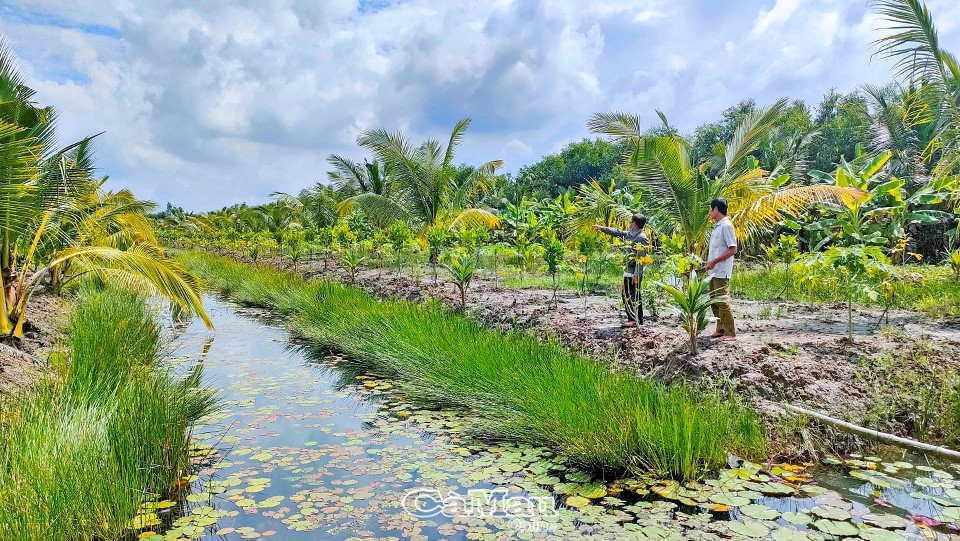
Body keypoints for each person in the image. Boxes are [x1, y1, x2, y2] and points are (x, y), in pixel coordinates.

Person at [593, 215, 649, 327]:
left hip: (634, 272)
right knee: (628, 294)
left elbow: (641, 259)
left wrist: (637, 274)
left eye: (630, 222)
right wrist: (603, 228)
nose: (629, 224)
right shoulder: (631, 235)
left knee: (633, 296)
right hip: (628, 270)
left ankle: (635, 320)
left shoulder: (641, 238)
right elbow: (618, 232)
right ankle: (636, 319)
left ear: (634, 224)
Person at [704, 198, 738, 340]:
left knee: (722, 301)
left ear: (716, 209)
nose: (709, 212)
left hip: (721, 270)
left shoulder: (726, 226)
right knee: (714, 300)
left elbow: (733, 249)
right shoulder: (717, 226)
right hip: (713, 270)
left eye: (710, 209)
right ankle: (721, 328)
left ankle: (730, 332)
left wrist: (715, 261)